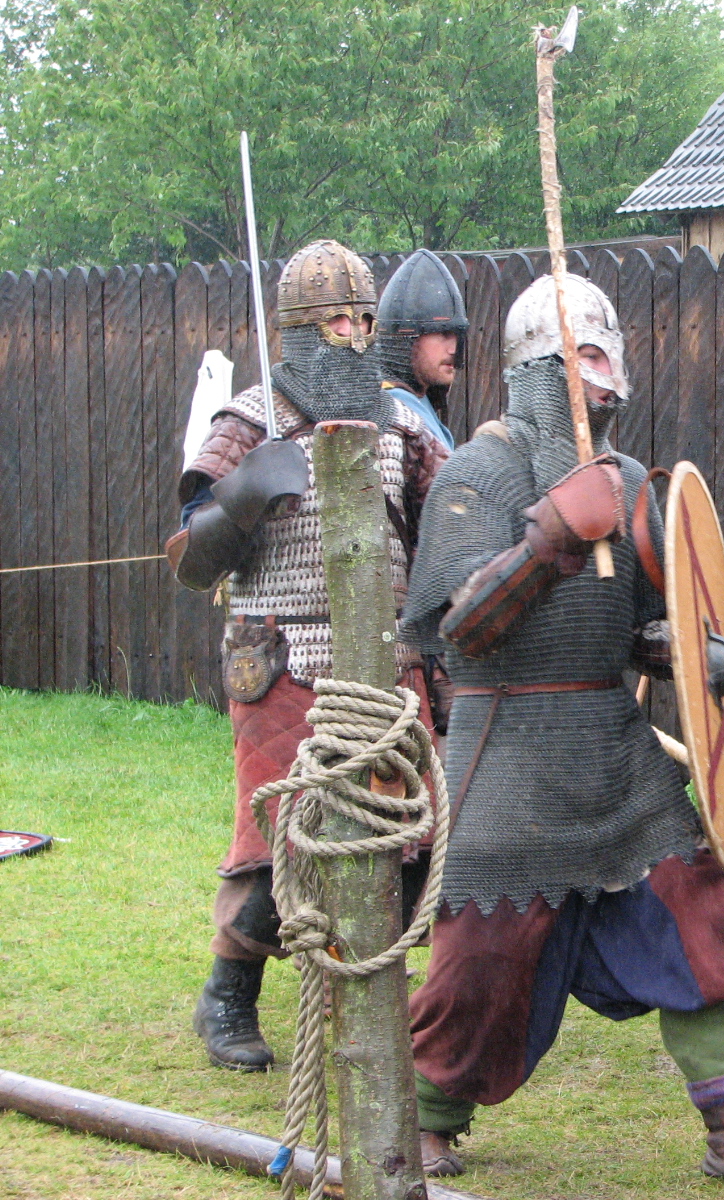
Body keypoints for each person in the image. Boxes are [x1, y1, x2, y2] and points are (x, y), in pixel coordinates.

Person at [398, 274, 724, 1194]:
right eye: (584, 354)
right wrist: (547, 541)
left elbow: (653, 622)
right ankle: (427, 1117)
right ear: (540, 366)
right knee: (479, 962)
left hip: (613, 749)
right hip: (507, 748)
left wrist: (691, 652)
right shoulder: (478, 474)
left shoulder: (625, 482)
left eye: (607, 354)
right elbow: (460, 629)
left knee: (702, 918)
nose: (604, 372)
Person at [166, 239, 447, 1071]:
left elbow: (448, 530)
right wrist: (244, 495)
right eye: (336, 321)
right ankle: (228, 993)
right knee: (281, 847)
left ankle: (359, 993)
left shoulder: (402, 422)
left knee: (406, 839)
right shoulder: (249, 421)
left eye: (364, 320)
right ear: (299, 327)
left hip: (386, 661)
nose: (353, 335)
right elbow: (190, 561)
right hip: (283, 656)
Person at [374, 248, 467, 453]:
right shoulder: (392, 410)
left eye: (456, 336)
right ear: (409, 338)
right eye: (443, 334)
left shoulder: (419, 398)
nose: (453, 349)